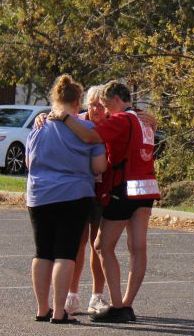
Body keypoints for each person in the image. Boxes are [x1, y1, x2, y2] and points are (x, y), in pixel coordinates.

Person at [51, 80, 160, 324]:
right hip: (147, 188)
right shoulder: (145, 120)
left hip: (123, 188)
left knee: (102, 245)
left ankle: (118, 304)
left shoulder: (121, 119)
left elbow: (91, 136)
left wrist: (64, 118)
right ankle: (128, 304)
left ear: (117, 100)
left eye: (107, 103)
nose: (105, 109)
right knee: (138, 247)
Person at [26, 75, 107, 325]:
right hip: (74, 194)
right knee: (65, 254)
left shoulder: (38, 126)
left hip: (39, 195)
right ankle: (60, 312)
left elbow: (29, 163)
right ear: (77, 102)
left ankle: (42, 309)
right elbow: (99, 166)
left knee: (43, 253)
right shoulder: (88, 131)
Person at [63, 86, 110, 316]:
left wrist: (148, 118)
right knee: (77, 243)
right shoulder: (76, 122)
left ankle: (96, 296)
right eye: (92, 104)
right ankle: (71, 295)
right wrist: (42, 116)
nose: (96, 109)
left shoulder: (113, 125)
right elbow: (56, 117)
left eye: (101, 105)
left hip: (103, 192)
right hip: (80, 190)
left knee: (98, 244)